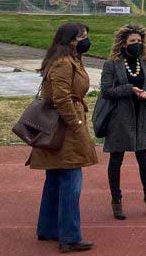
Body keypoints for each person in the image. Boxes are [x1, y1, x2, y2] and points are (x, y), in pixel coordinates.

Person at [27, 22, 98, 253]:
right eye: (83, 37)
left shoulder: (69, 60)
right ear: (70, 40)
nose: (87, 40)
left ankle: (48, 229)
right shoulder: (63, 63)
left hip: (62, 127)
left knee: (55, 180)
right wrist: (76, 125)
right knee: (71, 183)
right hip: (64, 129)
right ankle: (69, 237)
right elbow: (61, 98)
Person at [100, 24, 146, 220]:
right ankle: (116, 200)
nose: (137, 44)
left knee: (145, 159)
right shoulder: (111, 65)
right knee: (116, 159)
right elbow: (106, 91)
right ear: (123, 44)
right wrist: (129, 89)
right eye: (133, 41)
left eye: (139, 41)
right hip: (119, 119)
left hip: (142, 117)